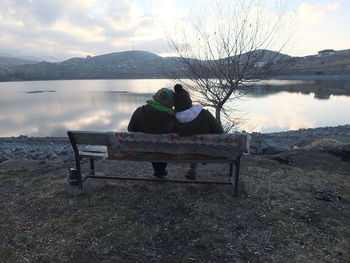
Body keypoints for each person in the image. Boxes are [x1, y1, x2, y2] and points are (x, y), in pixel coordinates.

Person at [173, 84, 224, 180]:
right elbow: (220, 133)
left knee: (193, 143)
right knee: (200, 138)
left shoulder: (174, 120)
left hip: (184, 153)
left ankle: (193, 170)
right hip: (207, 151)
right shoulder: (205, 114)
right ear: (189, 101)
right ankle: (194, 168)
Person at [127, 88, 176, 178]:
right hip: (165, 148)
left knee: (153, 145)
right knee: (162, 145)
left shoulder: (140, 110)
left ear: (155, 98)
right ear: (171, 102)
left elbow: (130, 129)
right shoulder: (173, 116)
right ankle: (160, 171)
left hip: (145, 148)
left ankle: (159, 171)